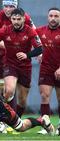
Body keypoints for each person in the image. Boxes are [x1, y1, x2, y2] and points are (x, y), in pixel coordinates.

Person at [0, 8, 43, 118]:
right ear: (11, 19)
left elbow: (40, 49)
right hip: (10, 64)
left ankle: (16, 120)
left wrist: (27, 55)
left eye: (18, 19)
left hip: (25, 67)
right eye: (14, 19)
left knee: (22, 100)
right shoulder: (5, 30)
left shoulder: (30, 31)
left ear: (23, 19)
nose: (16, 21)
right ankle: (4, 117)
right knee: (9, 91)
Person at [0, 0, 35, 115]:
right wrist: (13, 46)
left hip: (22, 60)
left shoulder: (25, 16)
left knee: (22, 97)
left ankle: (14, 117)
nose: (8, 9)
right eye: (6, 6)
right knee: (5, 89)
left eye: (11, 6)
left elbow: (34, 33)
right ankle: (4, 117)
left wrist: (38, 52)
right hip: (3, 58)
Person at [36, 7, 60, 135]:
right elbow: (31, 40)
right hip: (45, 69)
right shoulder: (40, 31)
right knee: (44, 96)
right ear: (48, 17)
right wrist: (37, 52)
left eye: (56, 16)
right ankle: (46, 125)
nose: (53, 18)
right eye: (51, 16)